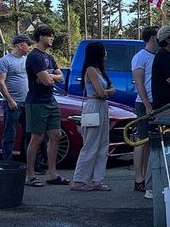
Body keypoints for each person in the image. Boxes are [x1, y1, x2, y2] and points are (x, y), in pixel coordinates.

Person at [24, 25, 70, 188]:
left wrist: (48, 75)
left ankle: (53, 174)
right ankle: (30, 175)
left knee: (56, 135)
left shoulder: (49, 57)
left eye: (53, 35)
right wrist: (50, 77)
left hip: (50, 100)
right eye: (49, 36)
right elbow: (48, 81)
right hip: (36, 101)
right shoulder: (34, 56)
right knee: (36, 138)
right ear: (40, 37)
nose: (52, 38)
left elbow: (60, 77)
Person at [71, 41, 115, 192]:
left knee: (103, 144)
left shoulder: (99, 70)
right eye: (104, 51)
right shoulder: (90, 70)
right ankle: (79, 179)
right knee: (90, 144)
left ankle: (97, 179)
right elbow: (102, 93)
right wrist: (105, 92)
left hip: (102, 106)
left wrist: (105, 92)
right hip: (94, 106)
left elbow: (108, 91)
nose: (106, 54)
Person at [0, 34, 33, 161]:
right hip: (13, 103)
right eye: (28, 45)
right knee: (10, 134)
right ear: (20, 45)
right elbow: (1, 82)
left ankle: (31, 163)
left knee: (30, 133)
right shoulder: (5, 61)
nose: (29, 47)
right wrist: (10, 100)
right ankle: (7, 162)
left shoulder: (26, 60)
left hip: (27, 102)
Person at [132, 26, 158, 199]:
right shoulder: (140, 57)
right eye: (157, 35)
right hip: (144, 103)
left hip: (156, 101)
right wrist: (147, 105)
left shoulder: (157, 56)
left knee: (150, 141)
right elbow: (139, 83)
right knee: (141, 140)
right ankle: (138, 177)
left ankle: (148, 175)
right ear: (151, 38)